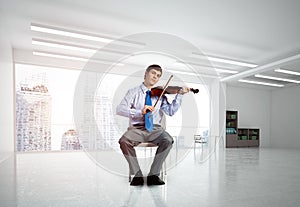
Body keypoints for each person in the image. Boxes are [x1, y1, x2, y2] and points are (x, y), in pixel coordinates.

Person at [116, 64, 189, 186]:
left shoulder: (160, 94)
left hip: (156, 129)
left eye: (158, 76)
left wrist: (180, 95)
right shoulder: (133, 92)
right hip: (137, 129)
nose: (155, 77)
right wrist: (140, 112)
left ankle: (153, 175)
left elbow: (170, 111)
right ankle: (137, 174)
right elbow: (120, 109)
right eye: (153, 73)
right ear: (146, 73)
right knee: (124, 141)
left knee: (168, 140)